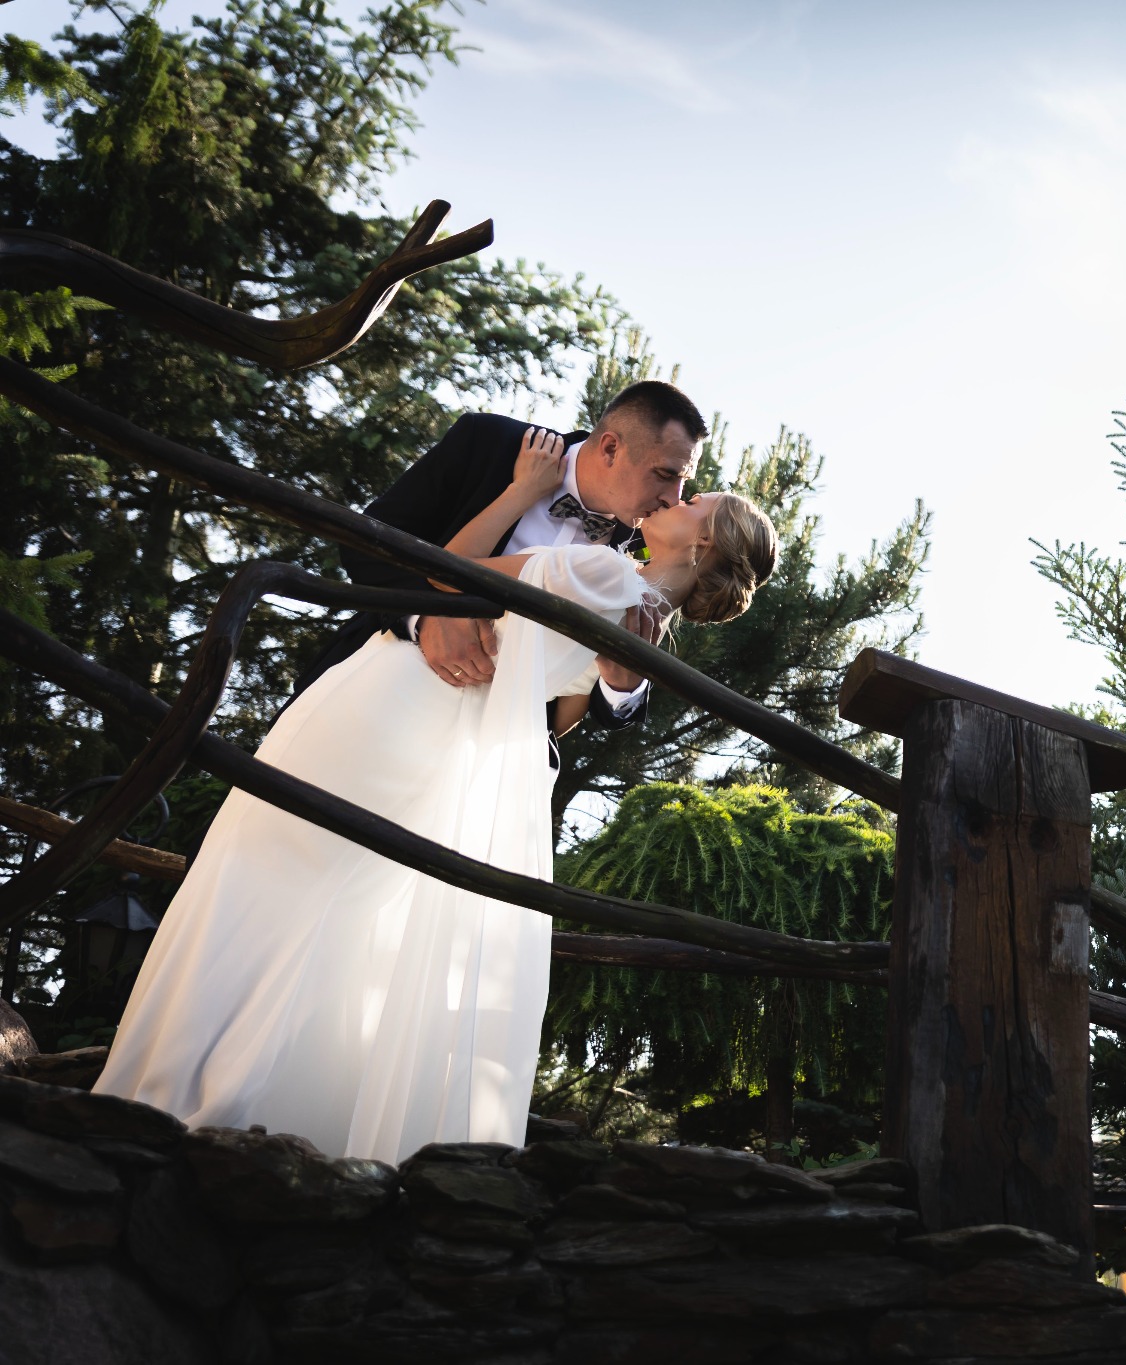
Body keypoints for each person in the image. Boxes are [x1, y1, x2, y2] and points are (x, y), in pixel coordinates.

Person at [92, 429, 780, 1165]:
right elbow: (558, 717)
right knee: (352, 925)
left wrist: (518, 502)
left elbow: (442, 570)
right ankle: (281, 1113)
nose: (676, 494)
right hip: (453, 757)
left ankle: (180, 1084)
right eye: (675, 477)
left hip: (392, 706)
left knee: (264, 880)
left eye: (692, 496)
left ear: (703, 543)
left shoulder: (600, 570)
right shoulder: (641, 623)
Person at [294, 379, 710, 735]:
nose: (671, 498)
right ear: (610, 449)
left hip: (487, 756)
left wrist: (627, 686)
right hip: (371, 691)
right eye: (665, 474)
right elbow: (368, 542)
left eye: (682, 482)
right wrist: (423, 617)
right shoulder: (491, 443)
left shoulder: (650, 539)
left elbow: (594, 702)